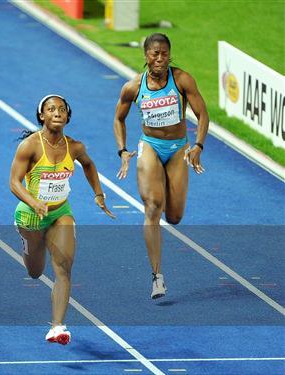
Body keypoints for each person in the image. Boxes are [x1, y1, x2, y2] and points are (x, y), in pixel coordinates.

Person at [10, 94, 115, 345]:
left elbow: (88, 165)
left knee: (64, 268)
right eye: (51, 109)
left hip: (59, 213)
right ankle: (27, 243)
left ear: (67, 116)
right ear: (41, 116)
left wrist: (98, 194)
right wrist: (34, 202)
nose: (57, 112)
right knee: (35, 272)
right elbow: (14, 182)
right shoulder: (30, 146)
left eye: (61, 109)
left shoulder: (74, 147)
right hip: (30, 216)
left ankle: (57, 327)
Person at [112, 33, 209, 299]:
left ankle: (166, 182)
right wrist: (122, 150)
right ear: (146, 56)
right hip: (150, 146)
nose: (159, 58)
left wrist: (198, 145)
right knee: (153, 206)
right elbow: (118, 119)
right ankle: (157, 277)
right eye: (154, 53)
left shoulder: (182, 80)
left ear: (169, 54)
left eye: (164, 53)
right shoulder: (133, 87)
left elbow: (202, 114)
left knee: (174, 217)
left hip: (178, 148)